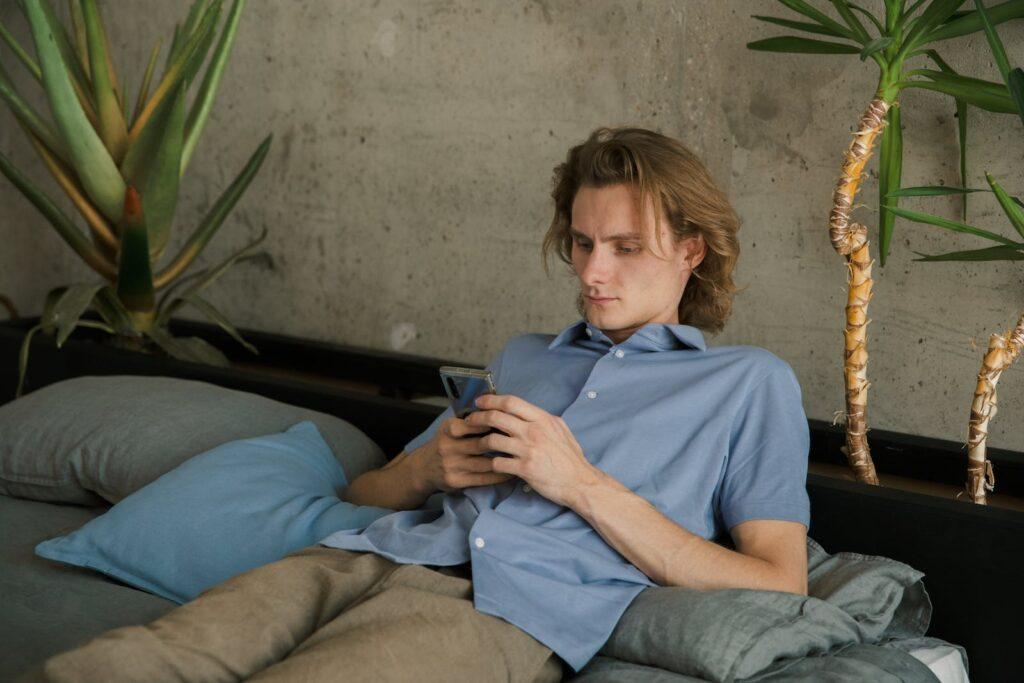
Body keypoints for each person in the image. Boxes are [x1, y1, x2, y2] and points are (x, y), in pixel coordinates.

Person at [30, 127, 810, 683]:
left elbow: (781, 583)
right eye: (580, 242)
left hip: (506, 609)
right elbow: (358, 494)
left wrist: (580, 482)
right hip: (367, 553)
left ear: (691, 249)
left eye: (625, 247)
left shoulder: (748, 383)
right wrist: (426, 469)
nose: (592, 271)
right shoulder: (523, 355)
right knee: (124, 660)